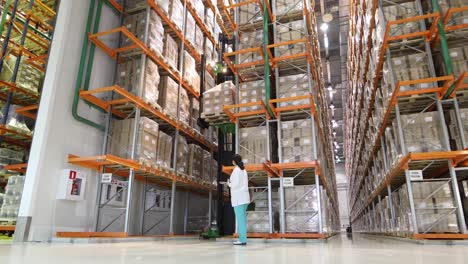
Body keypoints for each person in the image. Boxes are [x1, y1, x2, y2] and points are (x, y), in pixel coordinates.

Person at [228, 154, 250, 246]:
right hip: (244, 198)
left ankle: (242, 240)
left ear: (234, 161)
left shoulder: (236, 170)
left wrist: (229, 183)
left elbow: (235, 184)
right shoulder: (243, 170)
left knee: (240, 220)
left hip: (239, 199)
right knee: (243, 220)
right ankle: (243, 239)